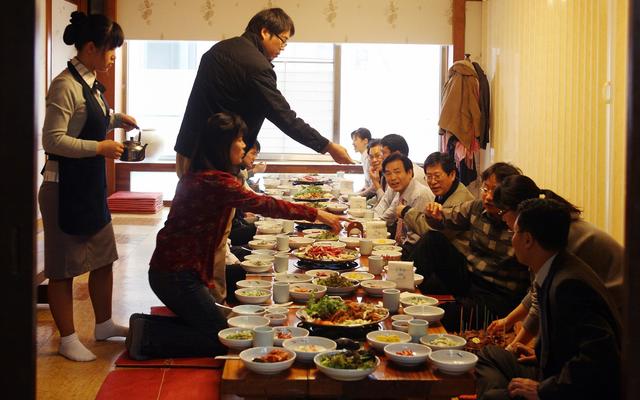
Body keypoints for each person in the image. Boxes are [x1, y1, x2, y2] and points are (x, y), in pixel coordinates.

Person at [126, 112, 344, 360]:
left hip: (178, 272)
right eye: (239, 139)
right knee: (220, 340)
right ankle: (147, 335)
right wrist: (316, 213)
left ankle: (146, 327)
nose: (243, 145)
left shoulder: (203, 174)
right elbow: (265, 204)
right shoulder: (215, 182)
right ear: (222, 145)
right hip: (176, 277)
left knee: (225, 330)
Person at [39, 11, 137, 361]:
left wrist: (115, 118)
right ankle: (67, 339)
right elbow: (52, 140)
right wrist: (100, 147)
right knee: (63, 268)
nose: (114, 57)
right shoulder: (65, 84)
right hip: (63, 187)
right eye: (111, 50)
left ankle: (104, 324)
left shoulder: (91, 80)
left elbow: (87, 117)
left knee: (103, 257)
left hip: (89, 185)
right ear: (91, 47)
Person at [174, 7, 353, 177]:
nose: (282, 48)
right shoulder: (255, 66)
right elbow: (284, 116)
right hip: (214, 160)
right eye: (282, 40)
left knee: (193, 205)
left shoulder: (219, 49)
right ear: (265, 32)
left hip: (188, 149)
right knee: (214, 208)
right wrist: (327, 146)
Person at [476, 199, 621, 400]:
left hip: (573, 389)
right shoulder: (556, 266)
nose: (512, 240)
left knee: (493, 397)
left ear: (528, 240)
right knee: (489, 355)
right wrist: (545, 352)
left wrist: (541, 390)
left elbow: (600, 357)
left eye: (514, 233)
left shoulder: (568, 286)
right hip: (555, 368)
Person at [486, 174, 624, 349]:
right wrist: (508, 321)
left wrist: (513, 346)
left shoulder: (559, 236)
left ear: (521, 210)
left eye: (502, 212)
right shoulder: (547, 228)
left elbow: (540, 299)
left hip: (621, 307)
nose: (503, 219)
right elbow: (538, 288)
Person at [412, 162, 527, 327]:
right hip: (470, 278)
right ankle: (403, 290)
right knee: (433, 239)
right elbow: (446, 217)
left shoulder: (519, 222)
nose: (488, 196)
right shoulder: (478, 208)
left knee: (442, 317)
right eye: (485, 189)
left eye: (495, 191)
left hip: (499, 295)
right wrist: (434, 214)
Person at [398, 152, 474, 237]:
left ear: (452, 175)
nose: (433, 181)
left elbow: (432, 231)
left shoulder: (461, 200)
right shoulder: (445, 192)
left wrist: (406, 212)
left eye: (437, 176)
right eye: (429, 176)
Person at [373, 134, 432, 228]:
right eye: (388, 173)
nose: (380, 157)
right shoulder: (397, 179)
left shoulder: (414, 180)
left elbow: (419, 231)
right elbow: (386, 205)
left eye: (383, 153)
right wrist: (371, 223)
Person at [380, 153, 432, 259]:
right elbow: (388, 217)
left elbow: (416, 237)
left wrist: (398, 254)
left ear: (409, 173)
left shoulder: (420, 194)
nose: (393, 178)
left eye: (397, 172)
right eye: (388, 174)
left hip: (418, 254)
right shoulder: (401, 191)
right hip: (403, 246)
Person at [350, 128, 374, 196]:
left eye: (355, 140)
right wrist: (353, 194)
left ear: (365, 141)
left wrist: (356, 196)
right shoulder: (364, 157)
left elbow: (374, 187)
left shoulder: (370, 158)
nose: (352, 143)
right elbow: (366, 186)